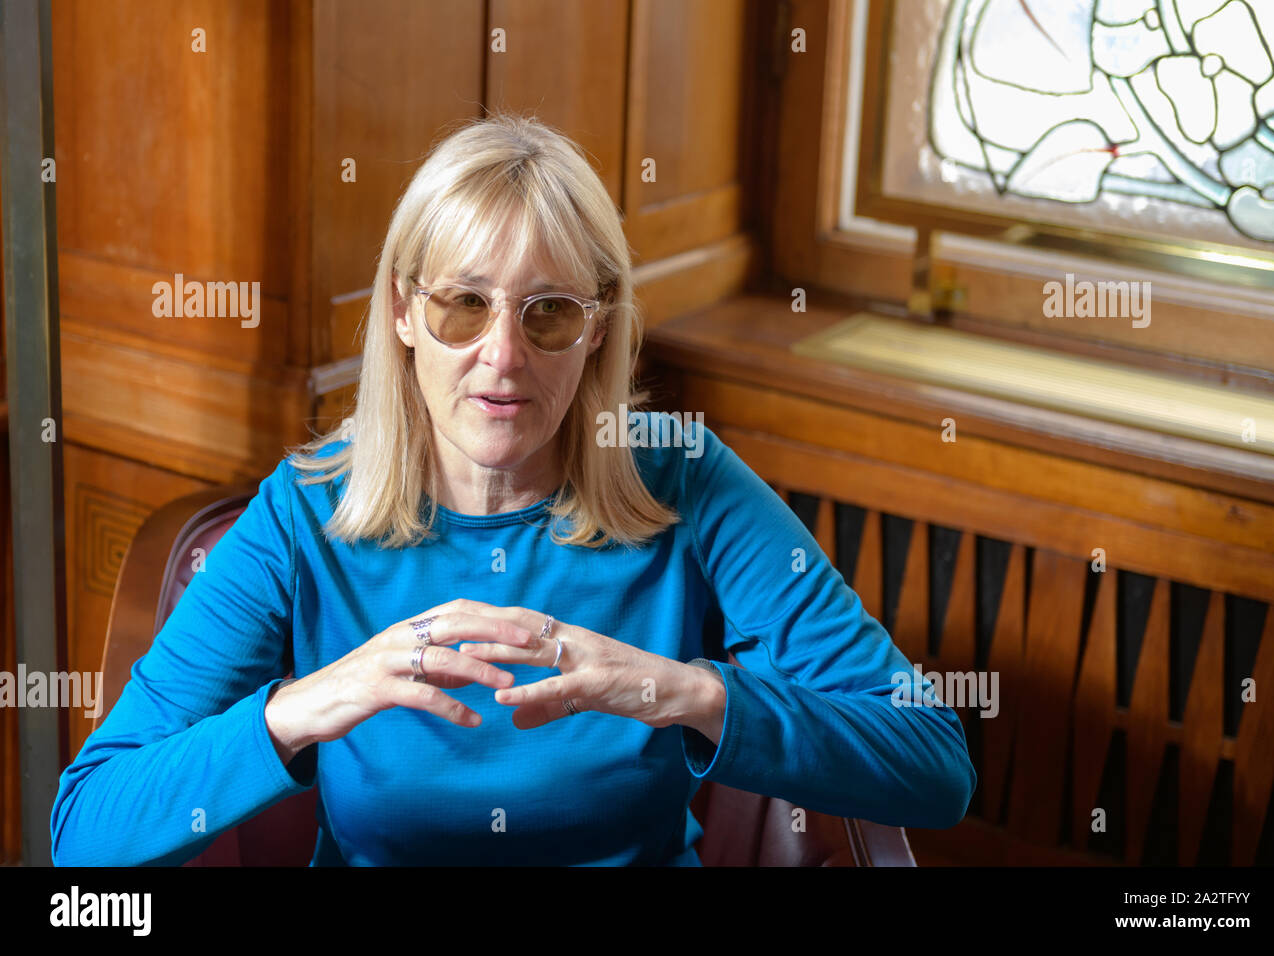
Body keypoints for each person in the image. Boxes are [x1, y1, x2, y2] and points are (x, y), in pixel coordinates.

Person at [50, 113, 976, 866]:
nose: (502, 357)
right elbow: (86, 830)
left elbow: (934, 767)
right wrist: (310, 703)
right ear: (405, 313)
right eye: (464, 305)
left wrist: (679, 691)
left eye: (550, 314)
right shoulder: (305, 509)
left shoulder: (684, 476)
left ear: (599, 330)